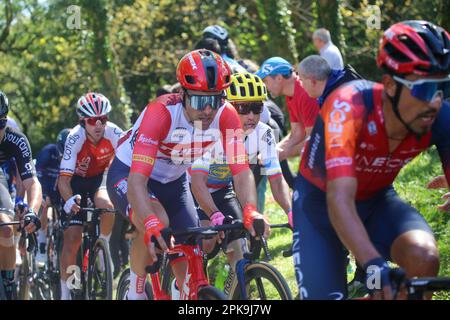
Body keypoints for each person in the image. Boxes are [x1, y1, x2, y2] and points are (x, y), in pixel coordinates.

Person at [294, 20, 450, 300]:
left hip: (376, 200)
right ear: (389, 85)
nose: (435, 102)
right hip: (321, 205)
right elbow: (338, 200)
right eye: (425, 90)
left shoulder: (440, 117)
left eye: (443, 88)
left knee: (424, 259)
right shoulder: (349, 105)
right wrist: (373, 263)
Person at [106, 49, 269, 300]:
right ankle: (135, 291)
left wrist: (250, 210)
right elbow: (137, 180)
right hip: (130, 174)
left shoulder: (226, 115)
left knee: (191, 255)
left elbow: (240, 171)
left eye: (214, 100)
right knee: (156, 220)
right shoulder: (160, 114)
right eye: (198, 101)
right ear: (182, 94)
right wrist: (149, 223)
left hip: (174, 181)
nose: (207, 110)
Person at [190, 72, 292, 266]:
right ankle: (184, 286)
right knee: (207, 242)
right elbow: (197, 183)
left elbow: (276, 178)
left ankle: (238, 287)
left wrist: (290, 211)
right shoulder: (207, 130)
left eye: (257, 107)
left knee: (241, 246)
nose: (251, 116)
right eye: (243, 108)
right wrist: (214, 215)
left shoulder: (264, 133)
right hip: (193, 191)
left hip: (222, 191)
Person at [58, 92, 123, 300]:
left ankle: (103, 245)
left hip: (98, 180)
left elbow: (131, 161)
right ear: (82, 121)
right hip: (74, 183)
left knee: (107, 205)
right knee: (73, 238)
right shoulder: (74, 137)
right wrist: (69, 201)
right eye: (92, 120)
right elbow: (63, 181)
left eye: (103, 119)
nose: (98, 125)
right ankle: (66, 290)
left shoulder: (114, 133)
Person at [0, 90, 42, 300]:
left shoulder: (15, 139)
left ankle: (8, 283)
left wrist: (32, 211)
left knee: (6, 230)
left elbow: (32, 182)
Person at [255, 57, 320, 166]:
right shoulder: (291, 94)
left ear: (279, 78)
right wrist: (273, 150)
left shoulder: (305, 92)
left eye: (265, 80)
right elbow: (296, 133)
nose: (265, 86)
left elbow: (313, 140)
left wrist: (282, 154)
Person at [33, 128, 70, 265]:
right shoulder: (48, 152)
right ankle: (42, 244)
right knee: (42, 203)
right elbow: (36, 175)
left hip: (60, 188)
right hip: (45, 185)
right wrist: (44, 194)